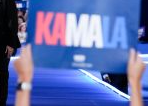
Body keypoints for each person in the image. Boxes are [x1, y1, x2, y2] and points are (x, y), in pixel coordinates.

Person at [14, 45, 146, 106]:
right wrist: (104, 74)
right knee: (113, 95)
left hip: (122, 74)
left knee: (122, 95)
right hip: (110, 74)